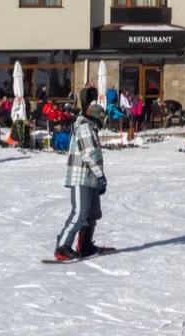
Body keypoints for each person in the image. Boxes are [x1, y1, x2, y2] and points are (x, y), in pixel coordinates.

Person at [54, 104, 113, 262]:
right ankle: (62, 247)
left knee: (92, 213)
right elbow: (89, 155)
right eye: (103, 118)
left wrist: (98, 178)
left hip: (91, 176)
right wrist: (101, 176)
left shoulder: (91, 128)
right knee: (80, 212)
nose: (103, 122)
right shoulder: (85, 127)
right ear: (97, 116)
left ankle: (85, 244)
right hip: (81, 176)